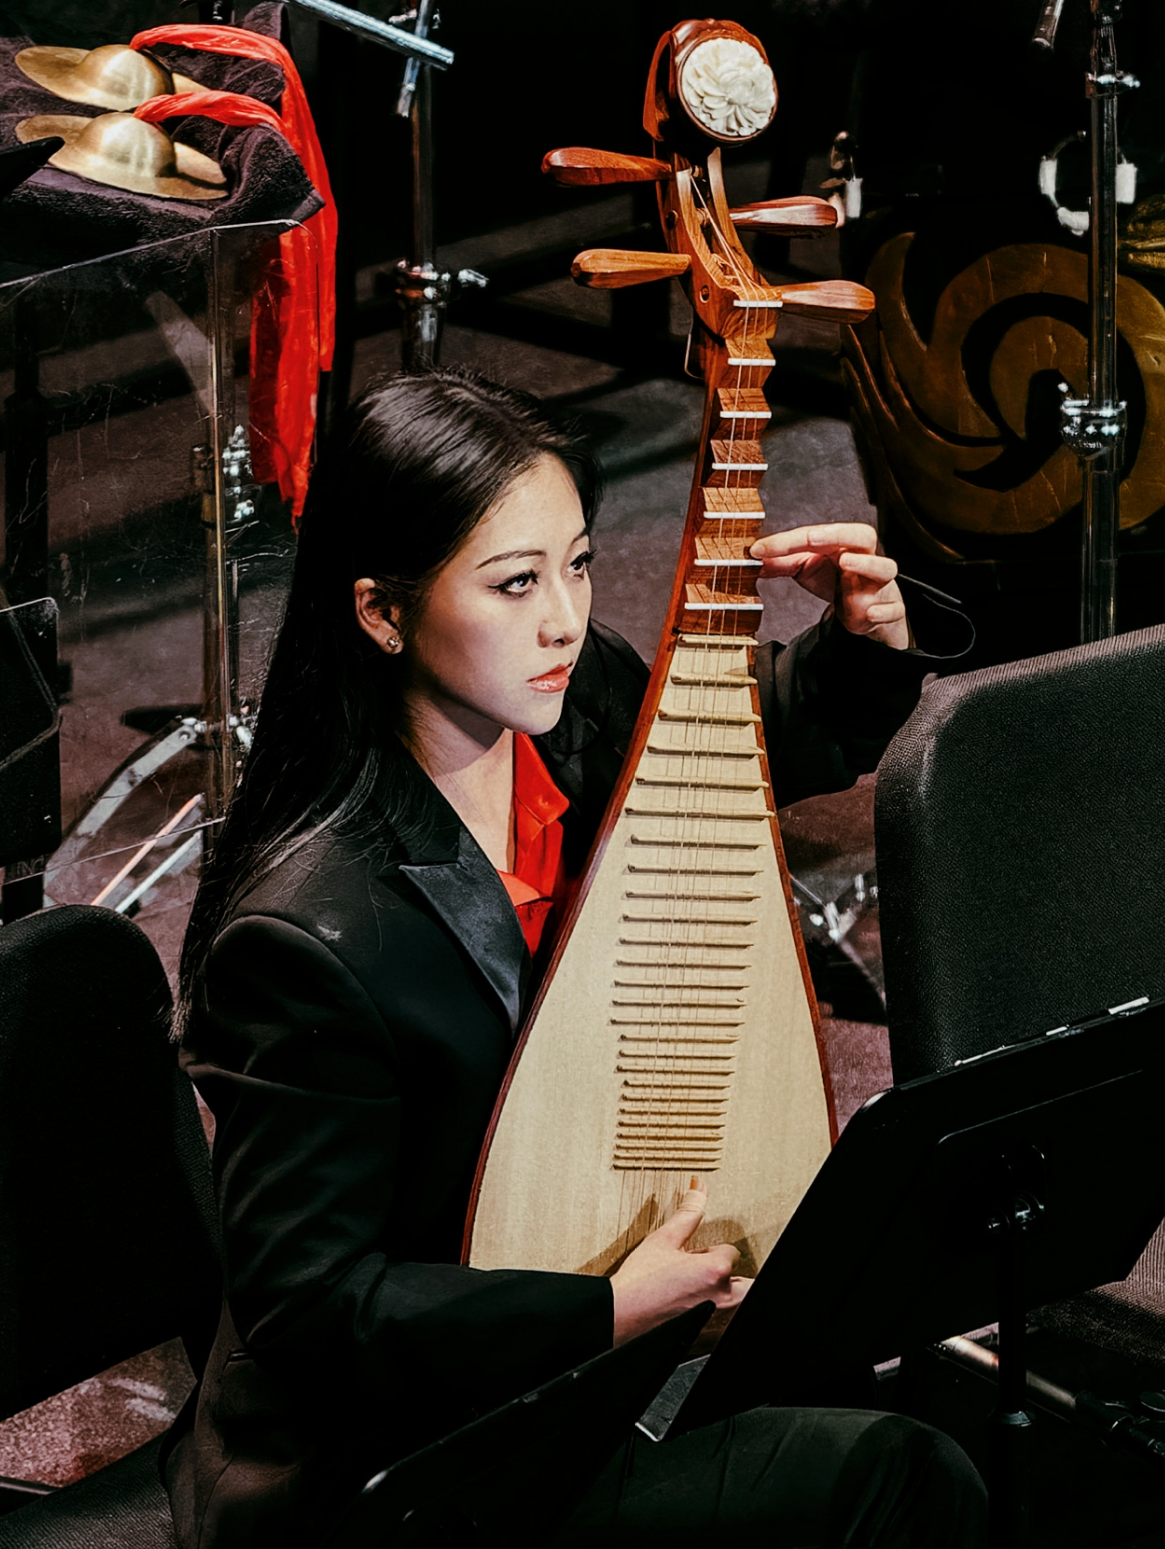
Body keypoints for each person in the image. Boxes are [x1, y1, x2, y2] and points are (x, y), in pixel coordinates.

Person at [166, 368, 984, 1548]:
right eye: (513, 582)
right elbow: (315, 1307)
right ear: (381, 612)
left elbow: (729, 763)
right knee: (895, 1475)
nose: (562, 616)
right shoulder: (306, 934)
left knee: (876, 1378)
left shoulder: (570, 699)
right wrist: (604, 1309)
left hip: (575, 1350)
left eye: (580, 562)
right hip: (403, 1459)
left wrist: (864, 643)